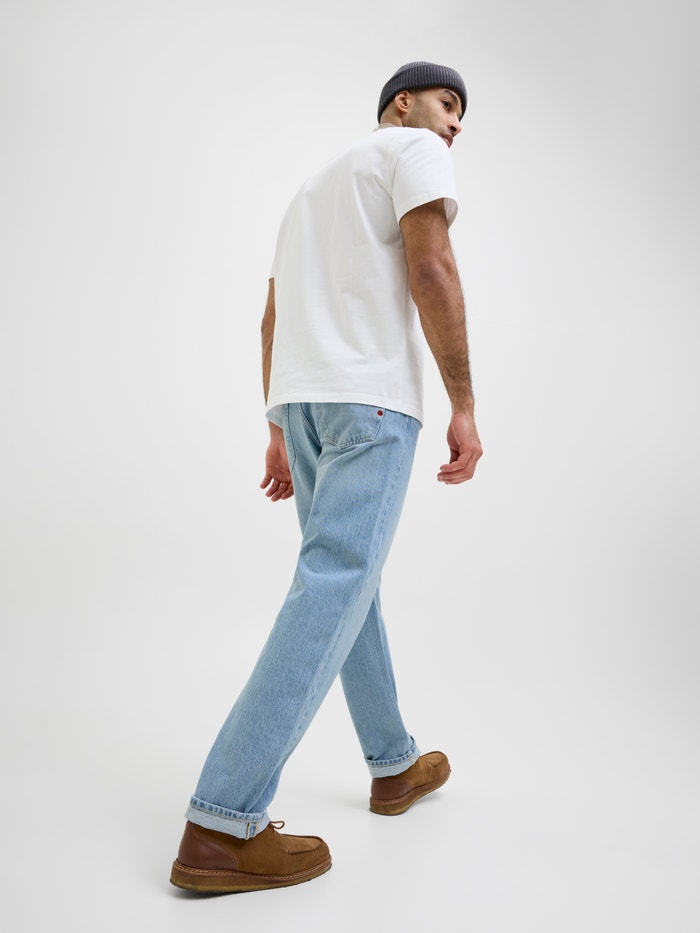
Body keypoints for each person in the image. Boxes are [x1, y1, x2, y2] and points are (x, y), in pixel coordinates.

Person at [170, 60, 483, 894]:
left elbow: (272, 315)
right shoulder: (412, 151)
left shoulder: (310, 191)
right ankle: (222, 820)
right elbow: (432, 268)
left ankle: (392, 762)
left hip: (307, 405)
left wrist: (277, 425)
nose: (456, 123)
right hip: (371, 401)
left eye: (460, 114)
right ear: (402, 104)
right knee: (336, 582)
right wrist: (463, 402)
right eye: (447, 103)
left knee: (349, 583)